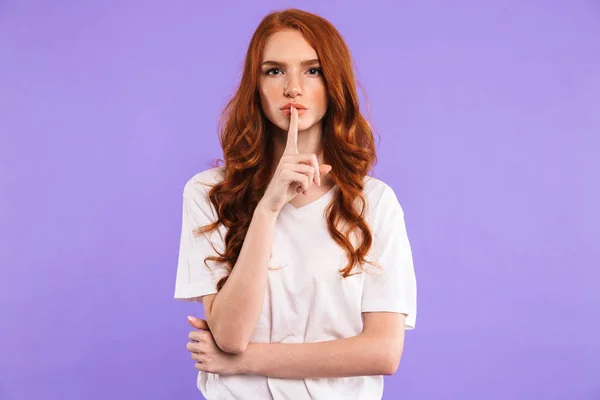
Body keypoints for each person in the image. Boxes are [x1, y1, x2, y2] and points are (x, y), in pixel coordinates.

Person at [174, 8, 417, 399]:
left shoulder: (374, 202)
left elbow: (383, 352)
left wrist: (245, 361)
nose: (292, 88)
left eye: (312, 70)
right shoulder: (209, 192)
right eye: (274, 71)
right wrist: (268, 208)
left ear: (333, 82)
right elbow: (230, 335)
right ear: (256, 85)